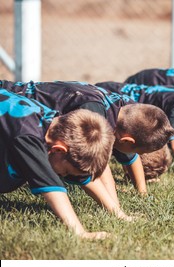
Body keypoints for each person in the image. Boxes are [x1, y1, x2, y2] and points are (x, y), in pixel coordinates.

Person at [0, 80, 174, 199]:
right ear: (128, 141)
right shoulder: (94, 114)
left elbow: (130, 157)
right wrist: (114, 207)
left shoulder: (125, 110)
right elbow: (101, 166)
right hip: (10, 104)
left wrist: (142, 192)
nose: (137, 156)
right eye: (139, 151)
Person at [0, 89, 117, 239]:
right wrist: (80, 233)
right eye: (66, 172)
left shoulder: (51, 124)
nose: (64, 176)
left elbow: (82, 178)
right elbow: (50, 184)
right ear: (58, 150)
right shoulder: (27, 134)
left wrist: (115, 211)